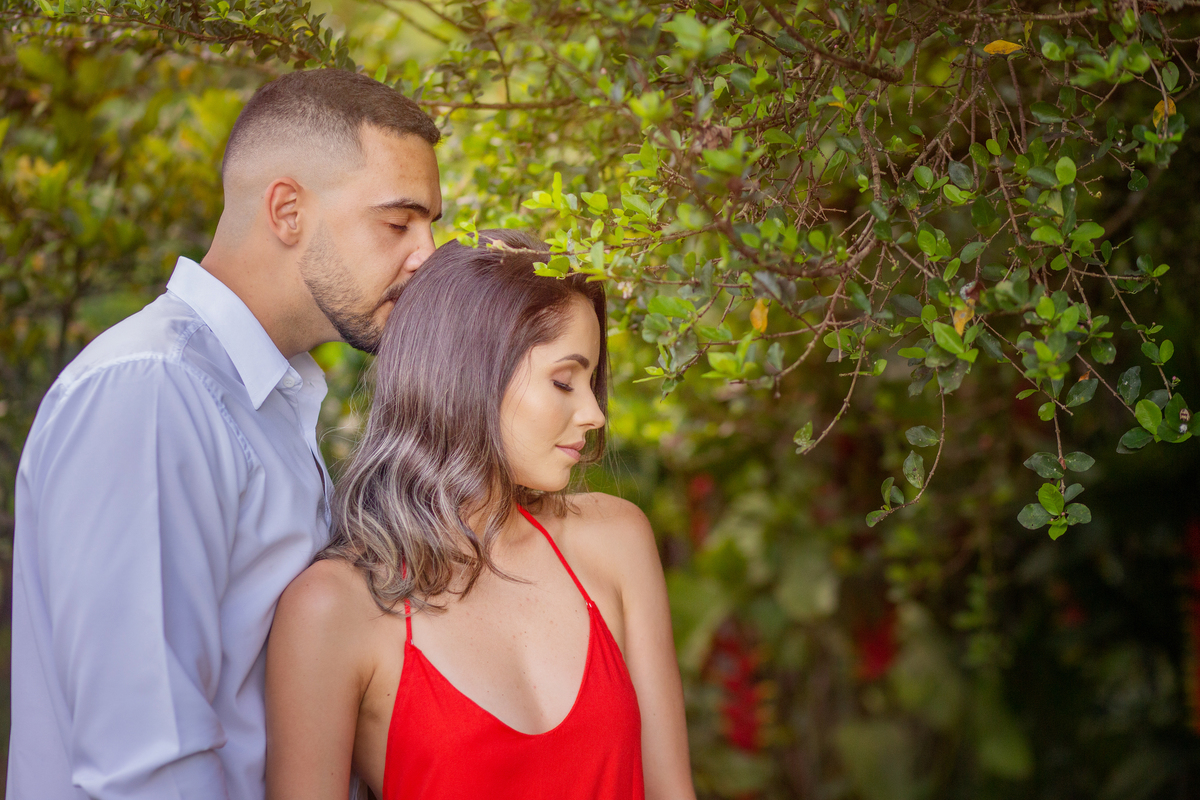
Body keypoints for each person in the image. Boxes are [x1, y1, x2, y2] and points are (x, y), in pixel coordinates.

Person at [7, 69, 442, 800]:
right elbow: (145, 762)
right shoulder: (153, 391)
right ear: (286, 210)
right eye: (399, 223)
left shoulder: (264, 399)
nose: (427, 254)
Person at [264, 230, 696, 800]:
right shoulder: (334, 609)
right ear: (471, 375)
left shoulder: (615, 540)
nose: (593, 413)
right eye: (564, 381)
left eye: (590, 383)